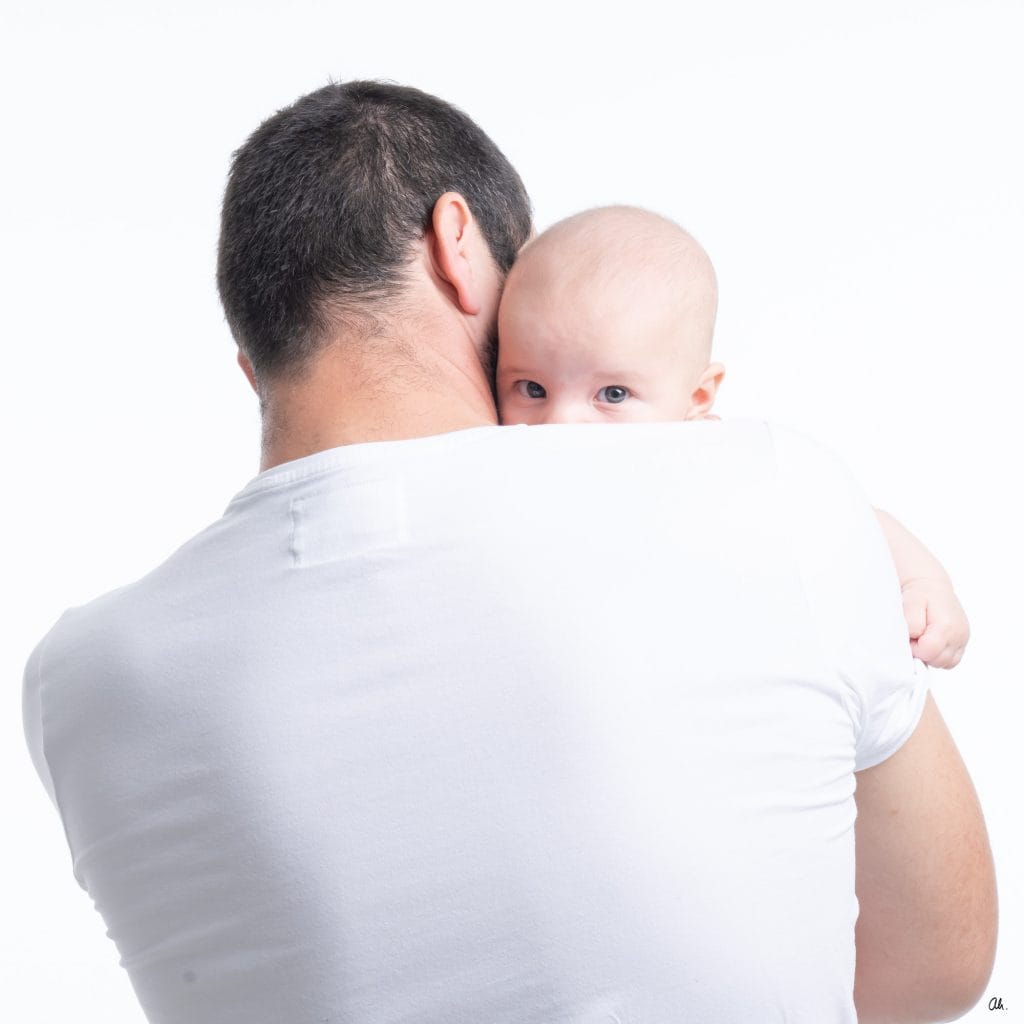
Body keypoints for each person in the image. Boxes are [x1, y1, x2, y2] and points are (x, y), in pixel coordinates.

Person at [22, 80, 996, 1024]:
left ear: (251, 364)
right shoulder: (769, 489)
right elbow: (936, 972)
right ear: (459, 245)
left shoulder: (79, 679)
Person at [496, 205, 970, 670]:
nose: (558, 423)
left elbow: (843, 516)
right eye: (532, 388)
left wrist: (923, 584)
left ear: (697, 396)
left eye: (613, 394)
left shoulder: (707, 460)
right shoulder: (497, 465)